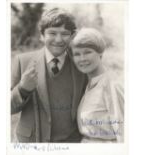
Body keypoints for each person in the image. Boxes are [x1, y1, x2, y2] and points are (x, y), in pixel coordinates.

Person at [11, 7, 87, 143]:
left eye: (65, 34)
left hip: (71, 144)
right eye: (52, 33)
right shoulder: (22, 61)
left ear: (72, 36)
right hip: (31, 143)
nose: (58, 40)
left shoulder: (80, 65)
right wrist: (22, 89)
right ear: (41, 35)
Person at [71, 28, 124, 143]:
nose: (82, 59)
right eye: (77, 54)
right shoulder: (88, 84)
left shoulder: (112, 85)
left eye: (87, 52)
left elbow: (124, 134)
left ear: (100, 53)